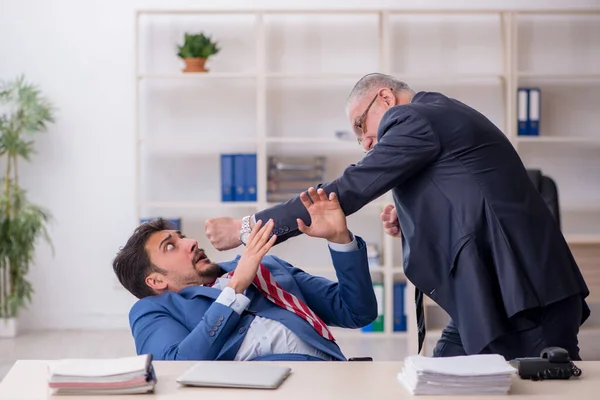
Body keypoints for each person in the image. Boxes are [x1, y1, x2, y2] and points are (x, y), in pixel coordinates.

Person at [205, 73, 590, 361]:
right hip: (492, 294)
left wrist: (246, 228)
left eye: (362, 127)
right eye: (358, 139)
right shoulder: (437, 115)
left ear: (385, 97)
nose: (367, 143)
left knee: (541, 391)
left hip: (522, 296)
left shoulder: (412, 118)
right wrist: (410, 220)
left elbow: (344, 191)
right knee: (440, 377)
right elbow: (468, 194)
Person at [112, 189, 377, 361]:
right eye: (170, 246)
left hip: (332, 379)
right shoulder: (152, 309)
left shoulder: (266, 265)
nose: (191, 242)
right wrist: (236, 287)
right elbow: (176, 365)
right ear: (156, 281)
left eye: (181, 237)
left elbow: (356, 312)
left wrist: (340, 240)